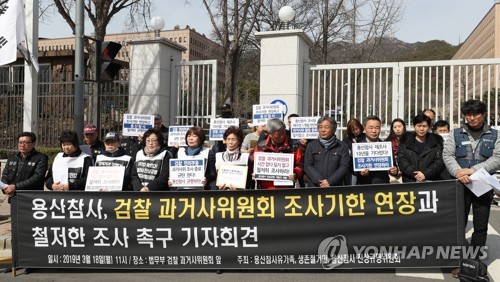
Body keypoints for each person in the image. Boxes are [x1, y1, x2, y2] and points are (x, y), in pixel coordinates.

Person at [442, 99, 500, 278]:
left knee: (480, 225)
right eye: (468, 115)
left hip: (483, 186)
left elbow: (497, 158)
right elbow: (448, 154)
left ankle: (475, 261)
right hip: (460, 185)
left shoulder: (495, 135)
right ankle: (459, 261)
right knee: (459, 225)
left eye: (476, 114)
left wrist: (473, 170)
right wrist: (459, 172)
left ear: (483, 115)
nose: (472, 118)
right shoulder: (456, 133)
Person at [252, 118, 303, 189]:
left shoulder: (293, 146)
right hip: (265, 189)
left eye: (283, 133)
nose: (282, 136)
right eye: (278, 135)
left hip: (286, 189)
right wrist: (255, 173)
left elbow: (300, 165)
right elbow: (253, 163)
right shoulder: (261, 146)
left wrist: (295, 173)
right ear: (270, 134)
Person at [396, 114, 445, 183]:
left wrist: (425, 174)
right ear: (414, 126)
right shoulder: (405, 141)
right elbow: (401, 159)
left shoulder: (437, 141)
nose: (421, 129)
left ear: (429, 127)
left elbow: (439, 161)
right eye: (419, 126)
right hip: (410, 180)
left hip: (431, 181)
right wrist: (414, 173)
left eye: (424, 126)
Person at [304, 116, 350, 187]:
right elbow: (308, 165)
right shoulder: (311, 146)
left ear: (334, 129)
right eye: (320, 127)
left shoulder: (342, 146)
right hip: (315, 187)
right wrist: (320, 181)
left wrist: (330, 181)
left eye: (326, 127)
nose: (323, 130)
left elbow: (344, 166)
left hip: (335, 187)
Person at [1, 132, 48, 201]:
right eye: (20, 142)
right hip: (14, 197)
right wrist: (6, 188)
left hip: (32, 198)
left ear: (33, 143)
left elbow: (37, 178)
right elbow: (5, 175)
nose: (22, 145)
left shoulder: (40, 158)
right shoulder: (12, 158)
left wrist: (16, 186)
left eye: (26, 142)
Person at [356, 116, 398, 185]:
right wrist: (360, 172)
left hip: (382, 185)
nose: (374, 131)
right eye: (371, 128)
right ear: (364, 129)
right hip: (363, 186)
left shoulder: (386, 146)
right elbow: (351, 167)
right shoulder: (358, 147)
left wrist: (394, 171)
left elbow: (393, 165)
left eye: (377, 128)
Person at [385, 118, 409, 183]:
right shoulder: (387, 142)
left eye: (399, 126)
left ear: (404, 127)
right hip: (391, 173)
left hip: (407, 174)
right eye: (395, 127)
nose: (397, 129)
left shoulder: (410, 140)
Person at [343, 118, 366, 185]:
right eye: (353, 130)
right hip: (351, 169)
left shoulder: (365, 137)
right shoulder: (346, 140)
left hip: (363, 168)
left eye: (357, 129)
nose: (356, 131)